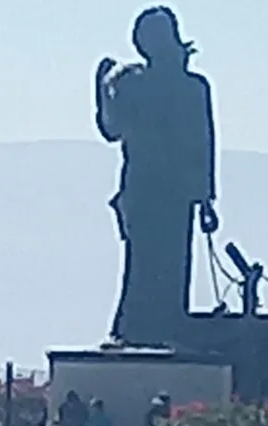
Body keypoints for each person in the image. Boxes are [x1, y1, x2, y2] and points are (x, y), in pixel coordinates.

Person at [95, 6, 218, 345]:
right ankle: (138, 331)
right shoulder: (136, 84)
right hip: (146, 191)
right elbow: (112, 129)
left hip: (170, 193)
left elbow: (203, 143)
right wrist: (103, 89)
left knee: (169, 266)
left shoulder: (187, 87)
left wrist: (206, 198)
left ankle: (159, 330)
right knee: (145, 266)